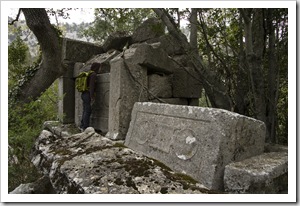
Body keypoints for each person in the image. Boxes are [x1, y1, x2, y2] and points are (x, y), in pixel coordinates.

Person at [80, 62, 101, 131]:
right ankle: (85, 127)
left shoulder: (89, 73)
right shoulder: (93, 74)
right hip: (88, 94)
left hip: (83, 94)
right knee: (87, 110)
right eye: (99, 67)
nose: (100, 69)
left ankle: (82, 125)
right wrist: (92, 96)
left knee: (85, 109)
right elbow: (91, 86)